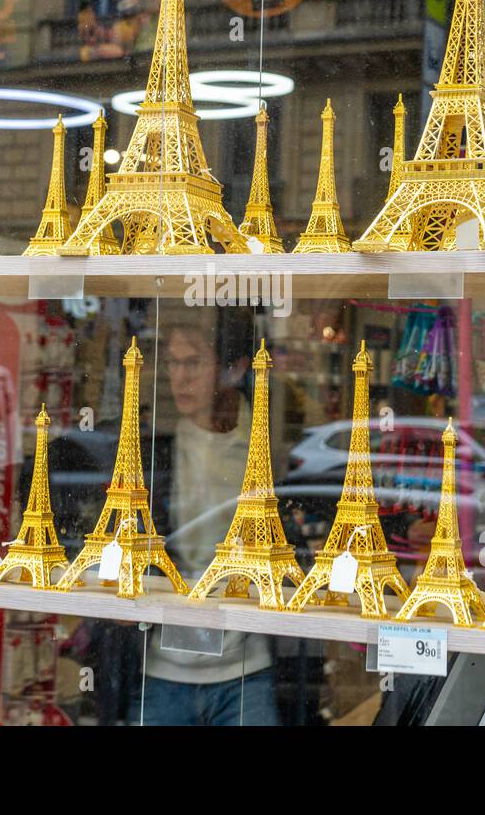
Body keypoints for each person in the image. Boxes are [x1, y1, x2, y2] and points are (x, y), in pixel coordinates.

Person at [130, 308, 282, 726]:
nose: (179, 377)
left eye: (193, 362)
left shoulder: (264, 447)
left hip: (244, 670)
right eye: (172, 363)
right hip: (161, 669)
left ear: (234, 369)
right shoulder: (154, 452)